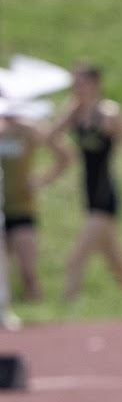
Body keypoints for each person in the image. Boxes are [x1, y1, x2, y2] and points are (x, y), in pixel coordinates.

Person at [48, 65, 122, 300]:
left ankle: (66, 309)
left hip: (105, 197)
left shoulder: (109, 115)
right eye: (74, 83)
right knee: (117, 264)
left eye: (82, 82)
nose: (77, 88)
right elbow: (49, 137)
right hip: (88, 194)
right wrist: (67, 115)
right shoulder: (75, 114)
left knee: (76, 259)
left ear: (96, 83)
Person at [0, 106, 72, 301]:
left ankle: (39, 312)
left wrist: (43, 179)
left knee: (28, 273)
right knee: (3, 279)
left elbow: (65, 154)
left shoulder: (26, 129)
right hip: (1, 209)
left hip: (22, 208)